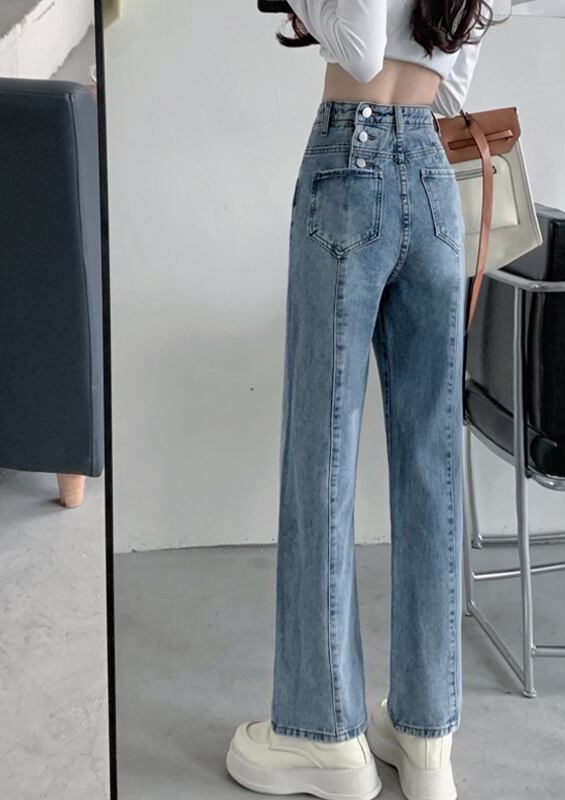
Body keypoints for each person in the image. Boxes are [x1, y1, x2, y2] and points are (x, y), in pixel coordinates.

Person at [226, 2, 500, 798]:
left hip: (350, 161)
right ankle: (426, 738)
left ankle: (322, 737)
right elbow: (451, 89)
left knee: (323, 452)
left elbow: (360, 44)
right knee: (430, 466)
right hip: (435, 179)